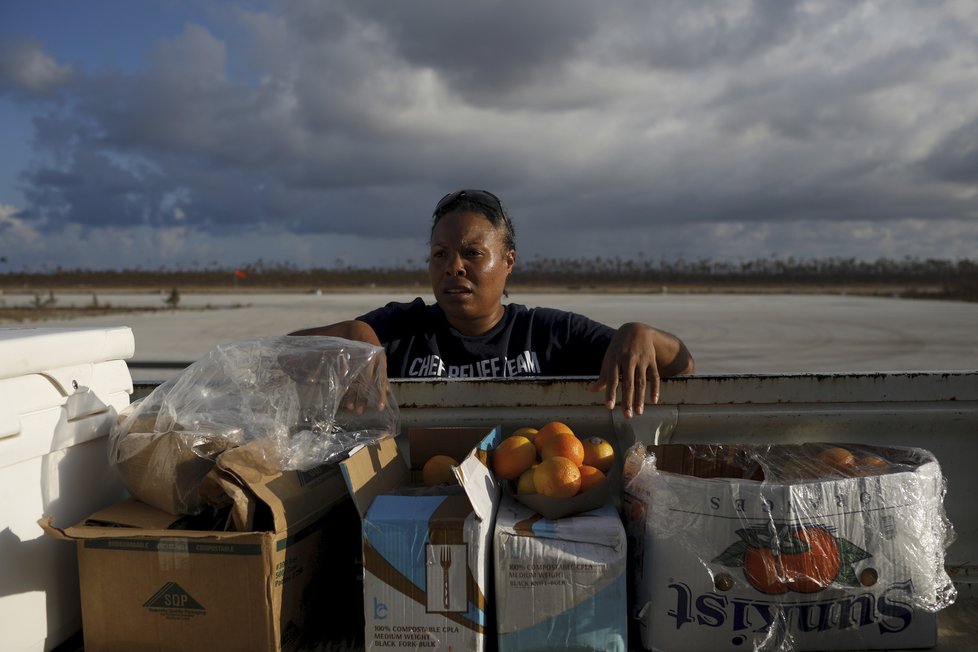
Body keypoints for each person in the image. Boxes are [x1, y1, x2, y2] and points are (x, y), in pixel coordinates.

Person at [290, 189, 694, 418]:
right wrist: (348, 335)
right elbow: (278, 358)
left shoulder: (551, 334)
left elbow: (683, 367)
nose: (454, 268)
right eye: (440, 255)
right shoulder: (401, 329)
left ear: (508, 261)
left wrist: (643, 335)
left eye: (472, 254)